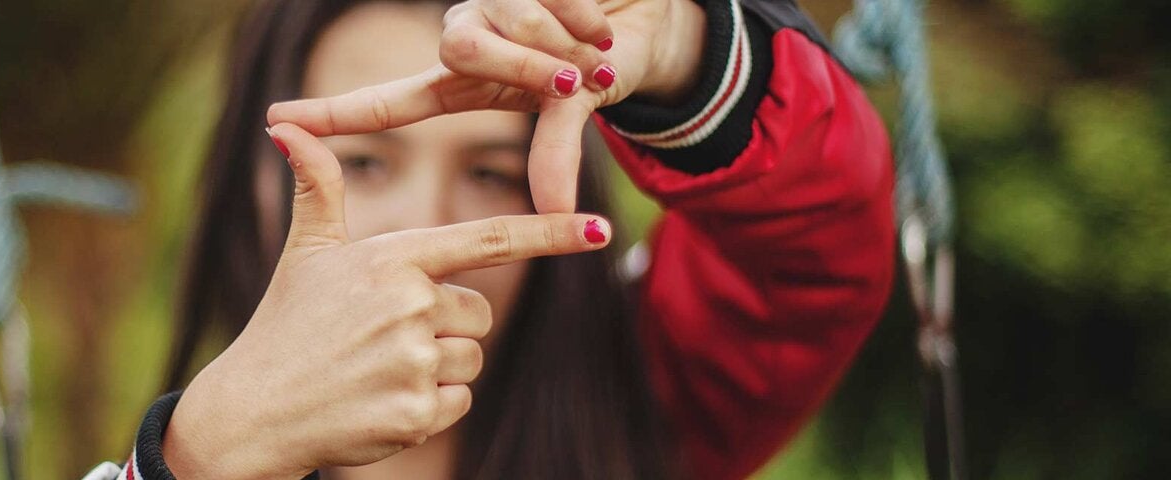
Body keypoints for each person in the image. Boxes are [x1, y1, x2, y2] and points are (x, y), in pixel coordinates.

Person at [83, 0, 895, 478]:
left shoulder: (649, 400)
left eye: (491, 173)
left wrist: (692, 53)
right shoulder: (184, 454)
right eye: (363, 164)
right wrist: (199, 458)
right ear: (247, 187)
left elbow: (815, 247)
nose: (429, 223)